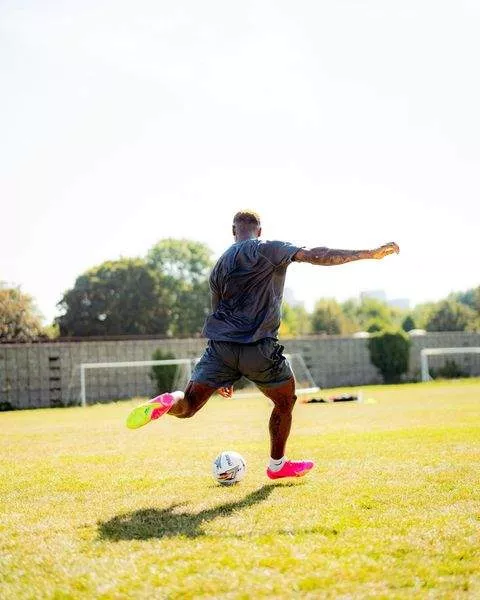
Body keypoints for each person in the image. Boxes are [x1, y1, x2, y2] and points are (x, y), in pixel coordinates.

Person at [127, 210, 399, 480]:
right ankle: (277, 465)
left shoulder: (219, 265)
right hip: (258, 347)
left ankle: (169, 400)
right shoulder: (268, 248)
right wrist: (367, 254)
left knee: (188, 405)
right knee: (285, 401)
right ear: (259, 230)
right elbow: (316, 254)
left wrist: (223, 372)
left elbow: (216, 312)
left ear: (234, 231)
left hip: (220, 349)